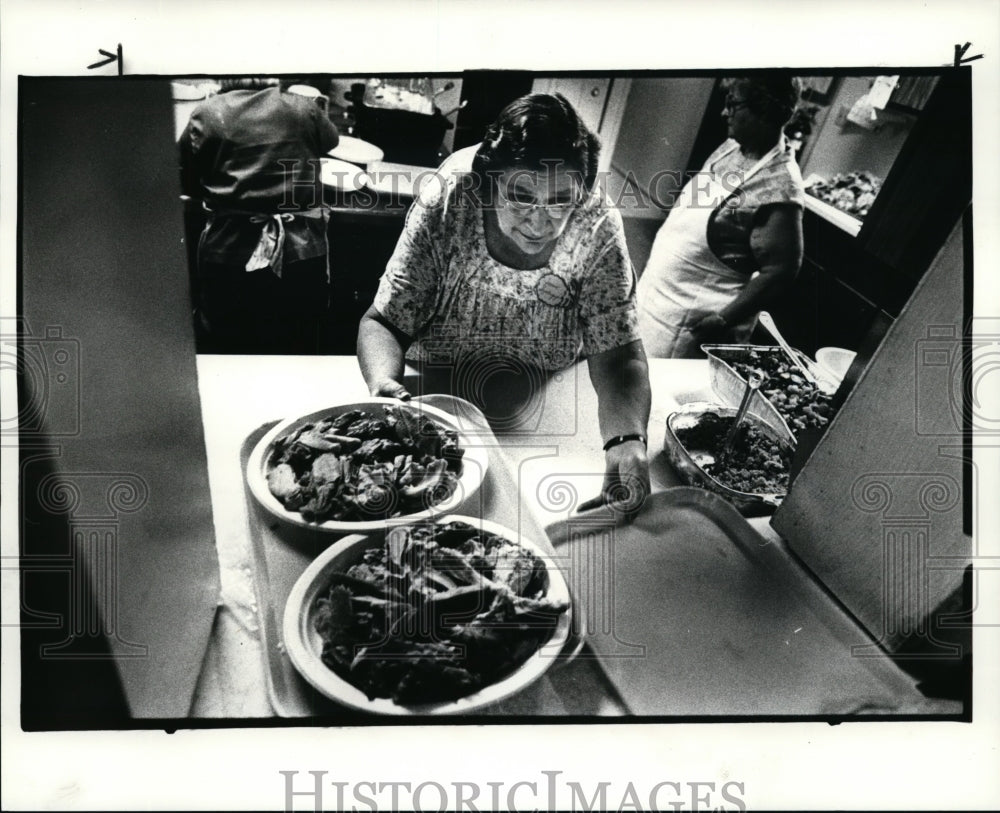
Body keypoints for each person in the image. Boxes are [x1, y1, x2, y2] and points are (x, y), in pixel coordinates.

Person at [357, 93, 651, 512]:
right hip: (433, 392)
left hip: (542, 401)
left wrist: (626, 441)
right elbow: (384, 321)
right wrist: (385, 387)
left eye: (560, 201)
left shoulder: (597, 222)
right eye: (521, 195)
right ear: (488, 183)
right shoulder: (451, 195)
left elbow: (619, 355)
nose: (538, 220)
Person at [637, 75, 805, 358]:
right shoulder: (730, 148)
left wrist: (724, 319)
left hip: (688, 321)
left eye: (733, 104)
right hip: (656, 294)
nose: (724, 112)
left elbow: (781, 271)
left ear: (764, 109)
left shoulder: (780, 187)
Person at [179, 78, 339, 354]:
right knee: (296, 342)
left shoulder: (207, 113)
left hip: (230, 252)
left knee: (227, 345)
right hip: (300, 254)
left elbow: (186, 176)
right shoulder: (303, 108)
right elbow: (331, 141)